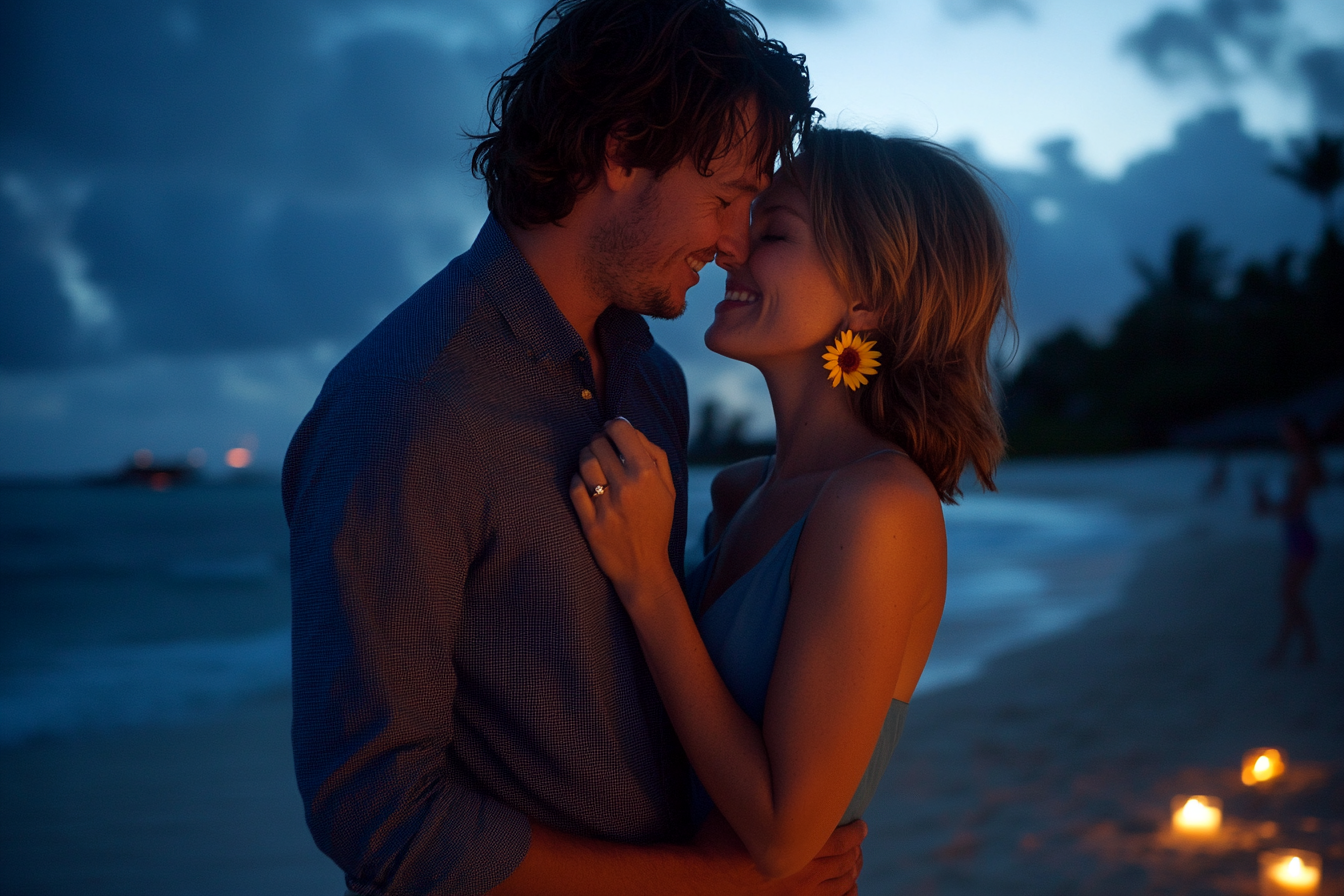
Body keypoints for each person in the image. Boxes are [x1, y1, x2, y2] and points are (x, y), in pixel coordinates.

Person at [282, 1, 869, 894]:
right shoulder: (405, 410)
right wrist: (710, 883)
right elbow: (379, 815)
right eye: (725, 198)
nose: (735, 243)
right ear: (623, 150)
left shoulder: (648, 381)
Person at [570, 128, 1011, 877]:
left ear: (870, 299)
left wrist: (648, 581)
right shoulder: (740, 489)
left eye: (773, 231)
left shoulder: (880, 508)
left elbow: (783, 836)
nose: (731, 248)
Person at [1254, 415, 1326, 666]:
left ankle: (1284, 651)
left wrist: (1268, 509)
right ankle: (1304, 649)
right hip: (1296, 533)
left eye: (1288, 433)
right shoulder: (1300, 461)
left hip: (1301, 535)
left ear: (1299, 434)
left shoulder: (1304, 462)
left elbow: (1296, 505)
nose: (1285, 438)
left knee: (1288, 595)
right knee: (1289, 595)